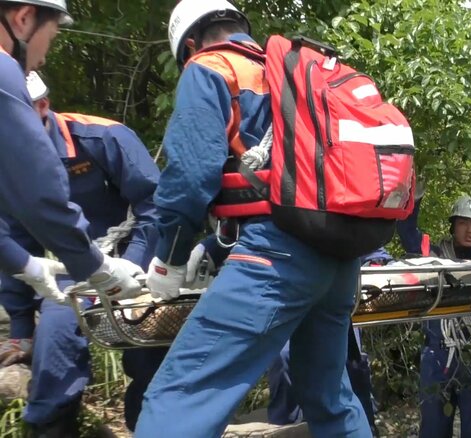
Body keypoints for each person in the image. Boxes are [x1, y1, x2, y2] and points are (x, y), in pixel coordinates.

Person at [135, 1, 371, 436]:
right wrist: (211, 245)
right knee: (330, 398)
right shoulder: (293, 74)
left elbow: (190, 176)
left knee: (179, 397)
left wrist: (168, 257)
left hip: (276, 259)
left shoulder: (211, 66)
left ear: (189, 44)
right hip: (338, 258)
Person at [0, 71, 161, 436]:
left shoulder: (103, 137)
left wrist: (129, 270)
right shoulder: (10, 162)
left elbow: (157, 208)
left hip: (138, 261)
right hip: (74, 273)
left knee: (152, 354)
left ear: (42, 107)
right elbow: (14, 242)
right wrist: (22, 327)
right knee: (55, 339)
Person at [0, 1, 143, 307]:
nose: (42, 59)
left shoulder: (104, 138)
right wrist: (96, 266)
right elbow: (36, 189)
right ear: (24, 18)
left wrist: (25, 264)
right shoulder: (3, 71)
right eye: (50, 38)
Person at [396, 183, 471, 438]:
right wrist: (413, 198)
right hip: (437, 354)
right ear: (453, 225)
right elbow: (408, 233)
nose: (470, 229)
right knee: (433, 427)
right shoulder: (435, 254)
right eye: (463, 222)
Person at [267, 248, 391, 434]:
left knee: (349, 365)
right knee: (284, 359)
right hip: (288, 293)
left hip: (334, 290)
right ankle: (286, 427)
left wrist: (377, 263)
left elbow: (371, 243)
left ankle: (363, 426)